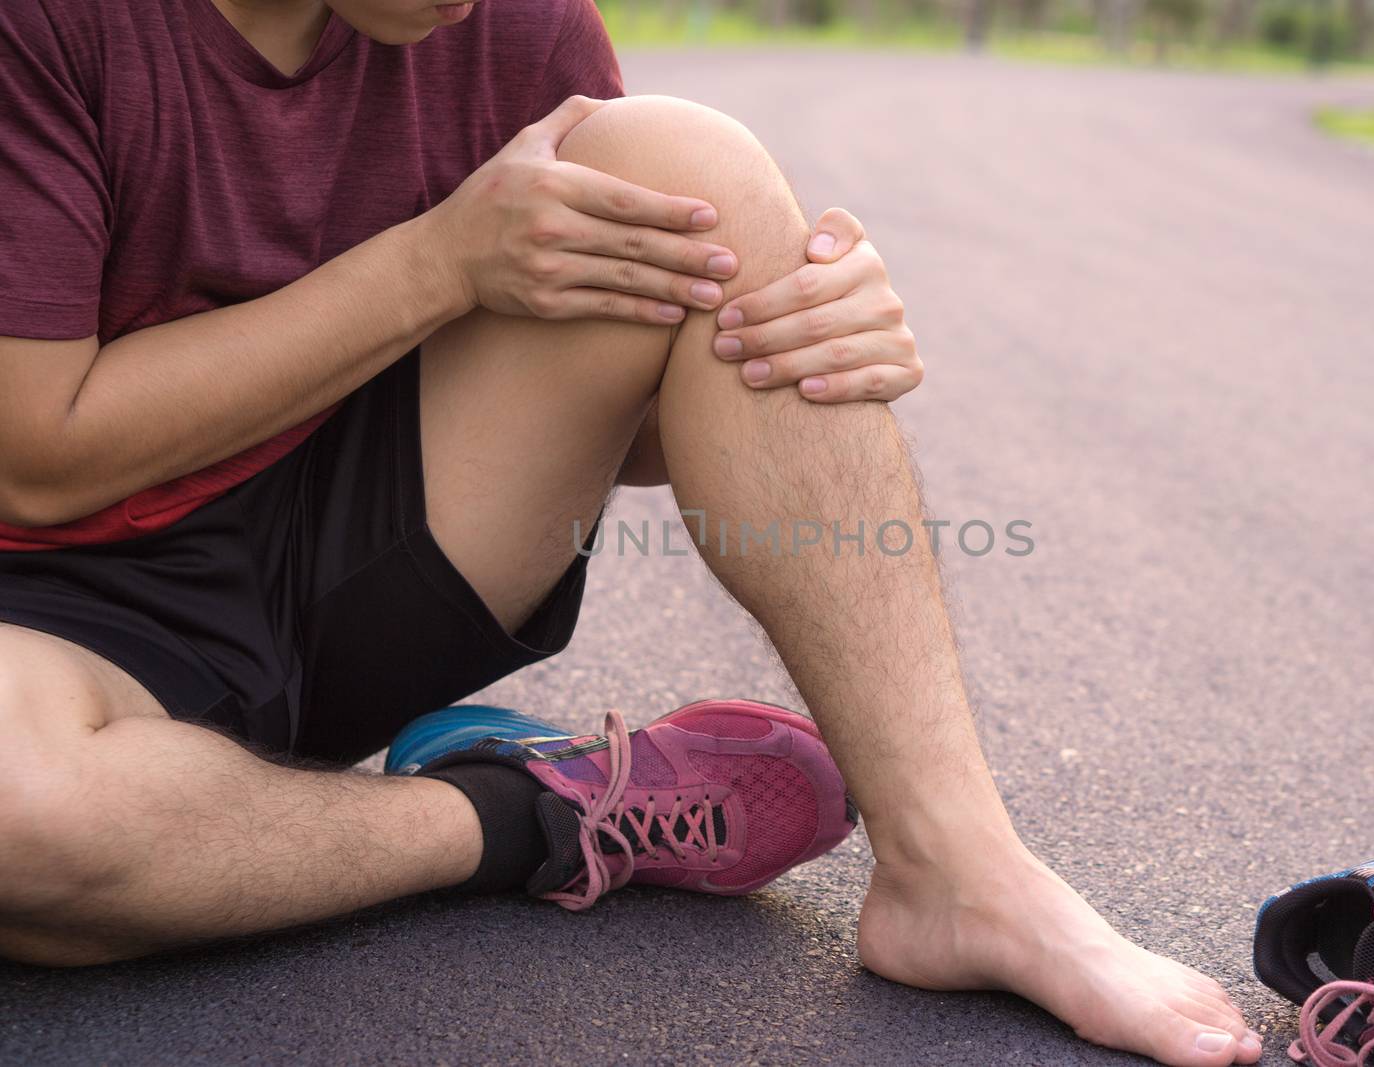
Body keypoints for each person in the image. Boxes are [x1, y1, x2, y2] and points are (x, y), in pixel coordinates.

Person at [0, 2, 1261, 1063]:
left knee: (685, 166)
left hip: (363, 557)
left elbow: (641, 422)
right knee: (25, 815)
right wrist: (440, 264)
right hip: (55, 615)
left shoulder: (506, 25)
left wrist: (802, 330)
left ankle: (956, 865)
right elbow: (38, 457)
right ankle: (532, 809)